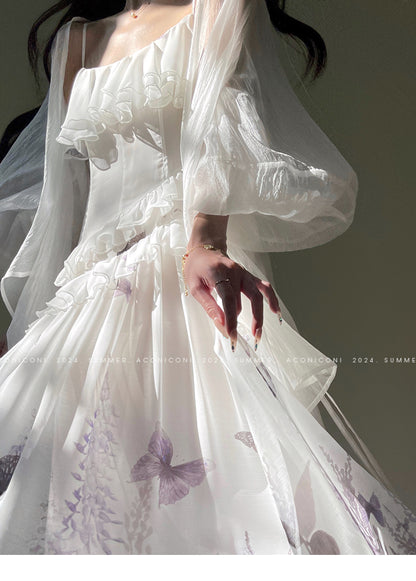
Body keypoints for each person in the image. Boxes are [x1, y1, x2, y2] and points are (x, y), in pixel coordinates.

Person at [0, 0, 415, 555]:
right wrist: (29, 327)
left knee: (222, 481)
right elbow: (61, 202)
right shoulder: (74, 42)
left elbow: (222, 122)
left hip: (176, 269)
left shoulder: (218, 7)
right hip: (89, 293)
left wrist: (205, 242)